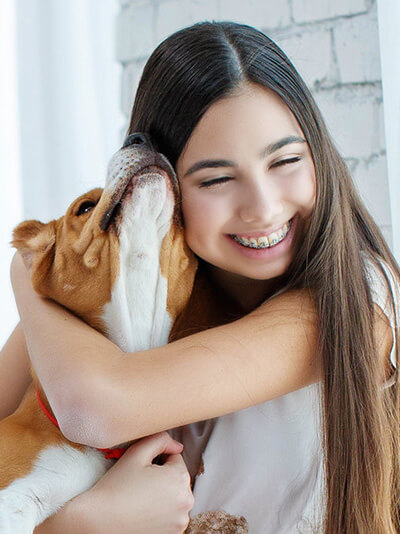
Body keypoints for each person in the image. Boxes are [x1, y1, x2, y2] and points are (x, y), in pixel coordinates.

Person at [4, 20, 400, 533]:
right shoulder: (147, 300)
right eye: (216, 178)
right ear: (159, 182)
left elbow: (93, 408)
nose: (263, 208)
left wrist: (29, 269)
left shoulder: (359, 303)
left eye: (286, 160)